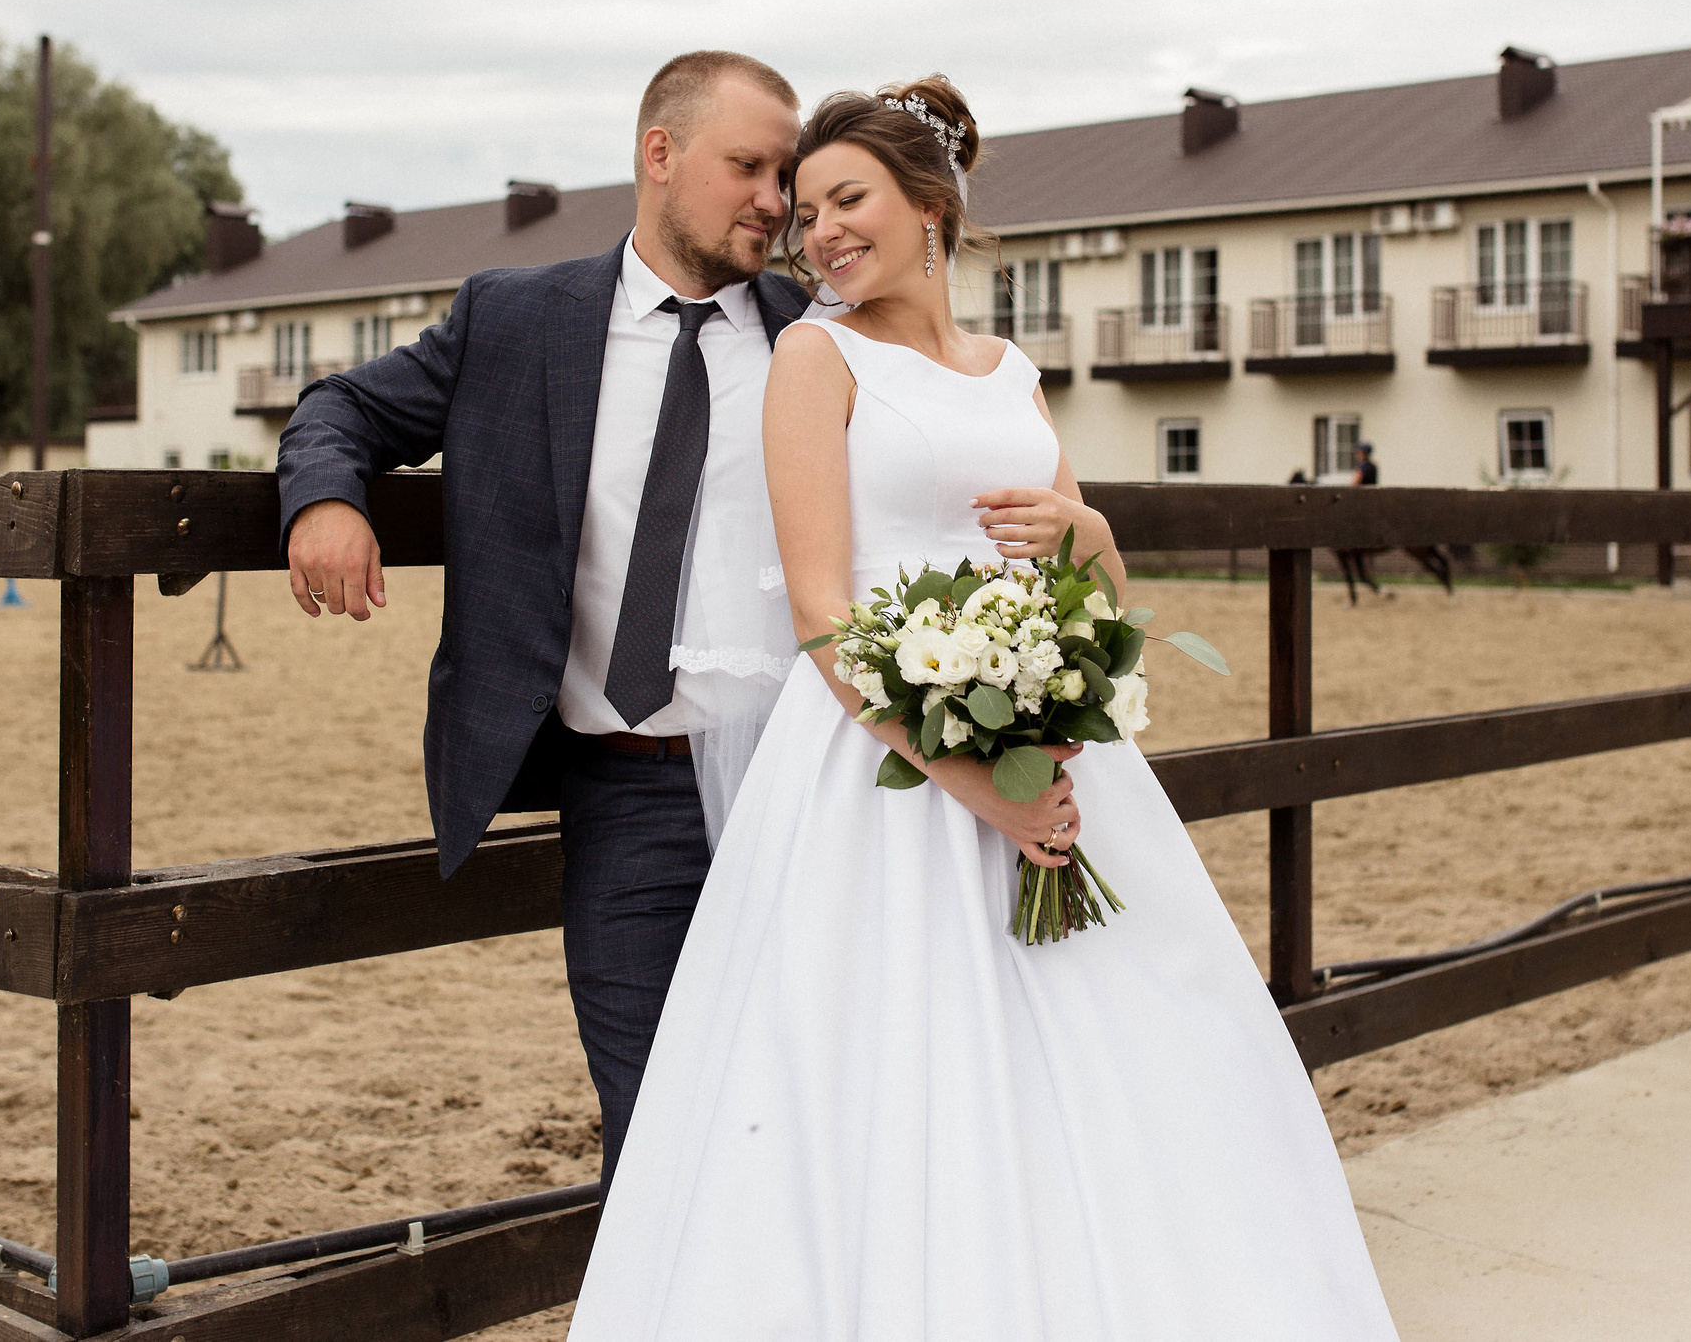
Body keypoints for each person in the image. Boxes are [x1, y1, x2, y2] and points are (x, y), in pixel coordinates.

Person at [569, 79, 1400, 1340]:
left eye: (847, 201)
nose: (819, 235)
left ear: (932, 205)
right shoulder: (814, 354)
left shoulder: (1010, 373)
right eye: (803, 215)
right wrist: (964, 779)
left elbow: (1096, 595)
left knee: (1126, 1051)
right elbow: (819, 614)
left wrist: (1091, 531)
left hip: (1047, 753)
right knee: (888, 1076)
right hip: (875, 779)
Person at [276, 50, 816, 1175]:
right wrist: (325, 502)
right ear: (658, 156)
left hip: (803, 792)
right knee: (657, 1136)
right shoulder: (514, 319)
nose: (778, 200)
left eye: (787, 173)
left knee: (802, 1118)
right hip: (623, 798)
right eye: (750, 167)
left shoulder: (819, 334)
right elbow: (340, 409)